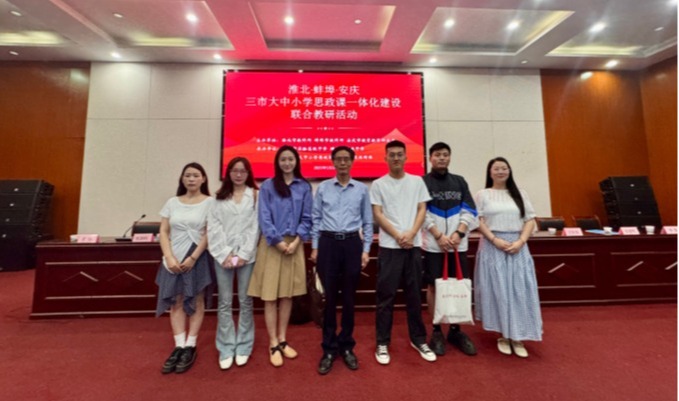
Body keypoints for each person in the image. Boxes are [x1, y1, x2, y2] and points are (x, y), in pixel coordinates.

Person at [370, 140, 436, 365]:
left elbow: (422, 209)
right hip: (390, 248)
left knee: (414, 296)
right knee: (385, 297)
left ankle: (418, 339)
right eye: (392, 155)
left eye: (400, 154)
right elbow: (378, 214)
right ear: (385, 158)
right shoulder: (378, 184)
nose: (396, 158)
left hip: (413, 246)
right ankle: (382, 342)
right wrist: (398, 235)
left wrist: (412, 233)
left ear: (406, 157)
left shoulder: (417, 182)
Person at [310, 146, 373, 375]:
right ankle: (328, 348)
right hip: (328, 244)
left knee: (348, 298)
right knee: (328, 299)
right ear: (333, 162)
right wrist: (315, 247)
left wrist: (366, 250)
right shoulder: (323, 188)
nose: (343, 163)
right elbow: (316, 218)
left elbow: (367, 221)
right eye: (339, 159)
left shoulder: (362, 190)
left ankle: (346, 345)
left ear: (352, 162)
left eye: (347, 159)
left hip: (352, 244)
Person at [247, 145, 312, 367]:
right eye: (283, 159)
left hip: (294, 245)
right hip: (272, 245)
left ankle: (283, 339)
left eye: (290, 159)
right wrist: (278, 242)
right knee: (270, 296)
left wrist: (296, 242)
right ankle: (273, 342)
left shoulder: (304, 186)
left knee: (287, 295)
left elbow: (307, 217)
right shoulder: (267, 186)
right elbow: (264, 218)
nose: (287, 163)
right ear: (277, 162)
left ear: (296, 161)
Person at [474, 157, 543, 358]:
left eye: (504, 168)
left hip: (517, 247)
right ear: (490, 172)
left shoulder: (520, 193)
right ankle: (503, 335)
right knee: (498, 291)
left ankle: (518, 336)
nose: (501, 171)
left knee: (519, 290)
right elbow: (478, 220)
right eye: (496, 168)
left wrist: (521, 241)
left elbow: (529, 220)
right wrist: (494, 240)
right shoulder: (482, 194)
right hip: (492, 246)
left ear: (510, 171)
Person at [421, 142, 479, 357]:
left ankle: (456, 330)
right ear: (430, 158)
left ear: (450, 157)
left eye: (445, 155)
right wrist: (438, 235)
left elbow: (470, 210)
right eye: (438, 155)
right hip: (433, 245)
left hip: (457, 245)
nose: (442, 158)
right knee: (433, 287)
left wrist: (459, 234)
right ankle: (436, 330)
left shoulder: (459, 181)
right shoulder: (422, 182)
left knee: (457, 285)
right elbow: (421, 212)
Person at [156, 162, 214, 374]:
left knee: (196, 299)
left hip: (197, 256)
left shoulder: (210, 202)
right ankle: (179, 345)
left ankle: (191, 345)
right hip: (173, 257)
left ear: (203, 179)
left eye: (196, 175)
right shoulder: (172, 202)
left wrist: (193, 258)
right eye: (187, 175)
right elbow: (163, 231)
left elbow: (209, 232)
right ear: (182, 178)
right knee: (176, 300)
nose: (191, 179)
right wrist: (169, 257)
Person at [207, 157, 259, 370]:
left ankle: (244, 346)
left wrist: (244, 253)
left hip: (247, 256)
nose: (238, 175)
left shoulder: (255, 195)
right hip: (223, 256)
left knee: (246, 301)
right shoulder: (218, 198)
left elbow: (255, 227)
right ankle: (226, 347)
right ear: (228, 173)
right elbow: (214, 227)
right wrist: (226, 254)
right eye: (235, 171)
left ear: (248, 174)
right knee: (225, 302)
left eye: (243, 171)